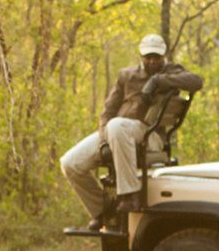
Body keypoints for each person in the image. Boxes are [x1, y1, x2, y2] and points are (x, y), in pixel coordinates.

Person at [61, 34, 203, 228]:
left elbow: (196, 81)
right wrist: (103, 142)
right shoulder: (126, 75)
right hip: (115, 132)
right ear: (141, 56)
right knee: (70, 163)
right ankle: (102, 211)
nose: (152, 61)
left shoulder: (172, 71)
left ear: (164, 56)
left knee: (117, 125)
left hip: (149, 134)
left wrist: (158, 81)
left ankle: (129, 194)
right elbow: (107, 113)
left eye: (156, 57)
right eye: (148, 57)